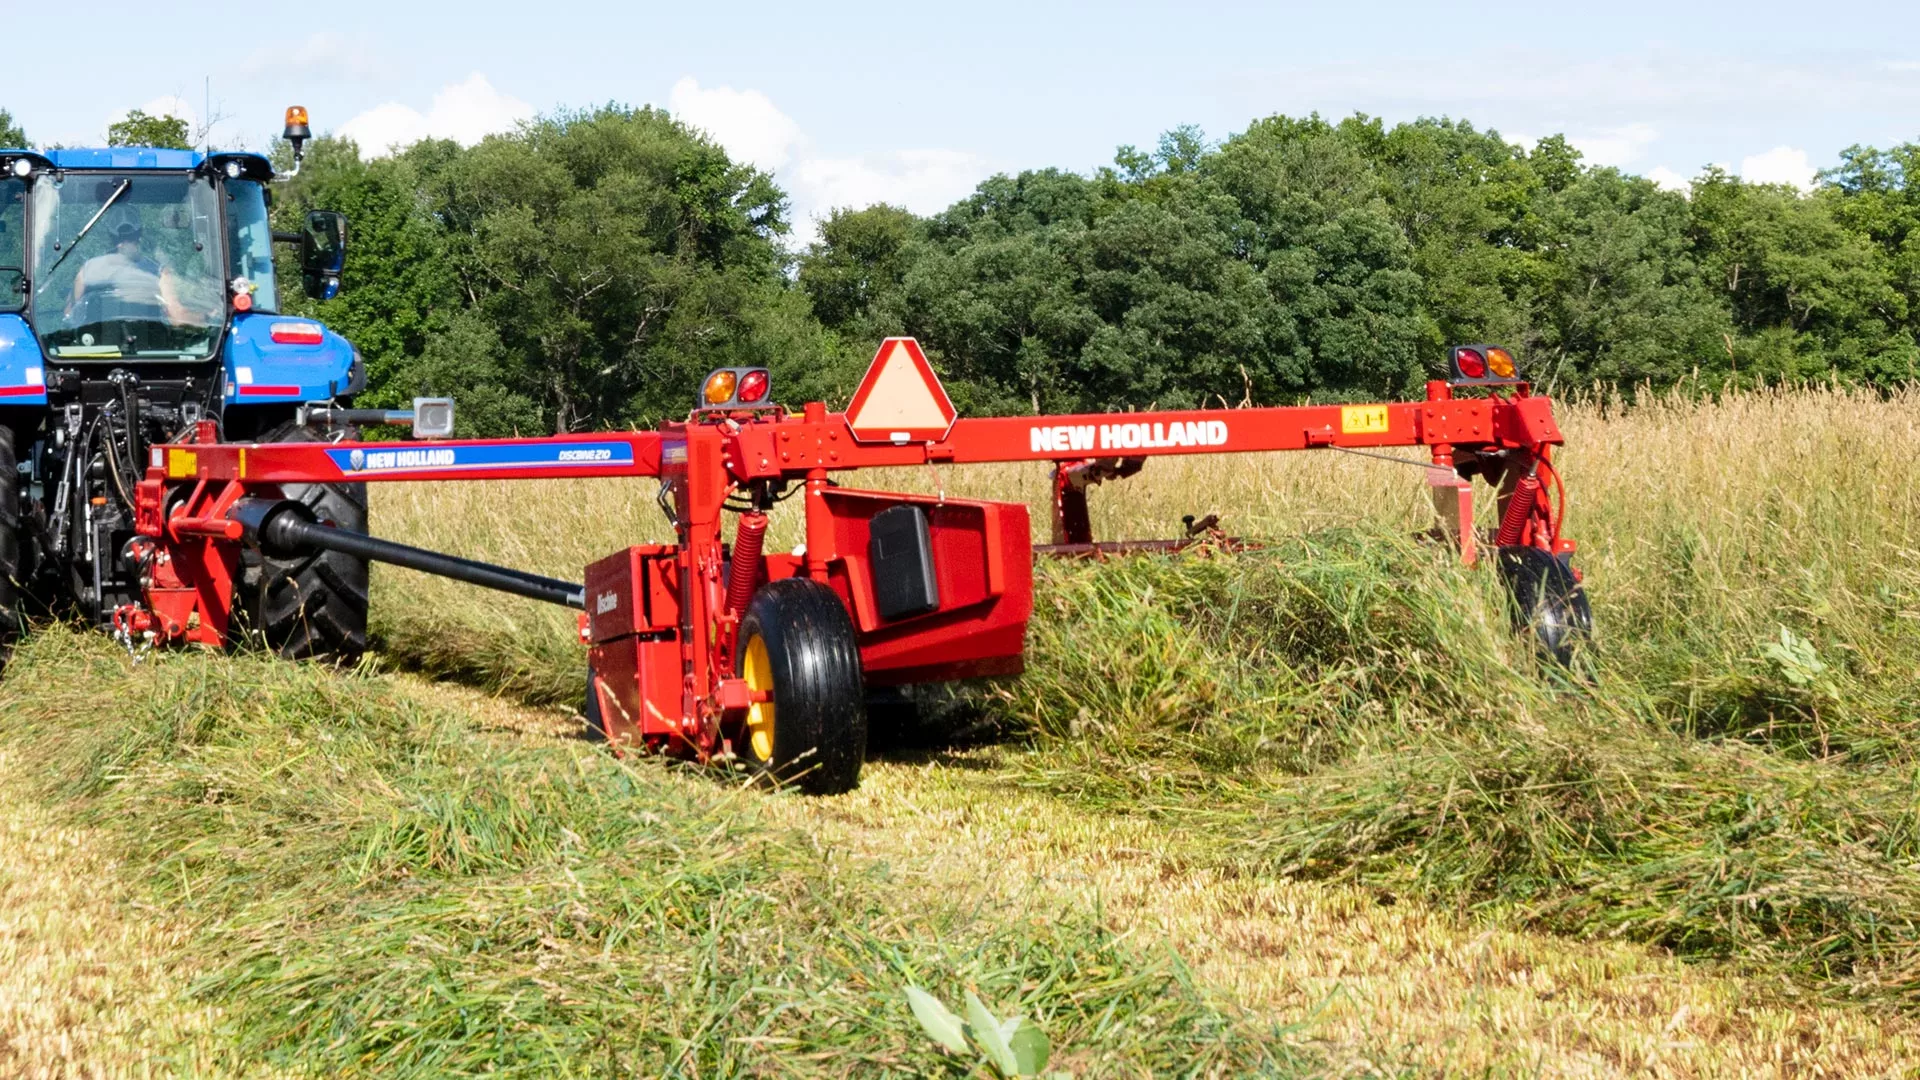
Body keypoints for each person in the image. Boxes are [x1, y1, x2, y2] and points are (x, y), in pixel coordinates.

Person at [63, 217, 194, 325]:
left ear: (112, 239)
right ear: (139, 238)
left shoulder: (88, 269)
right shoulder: (159, 272)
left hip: (91, 350)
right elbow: (177, 317)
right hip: (151, 350)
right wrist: (207, 317)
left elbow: (69, 316)